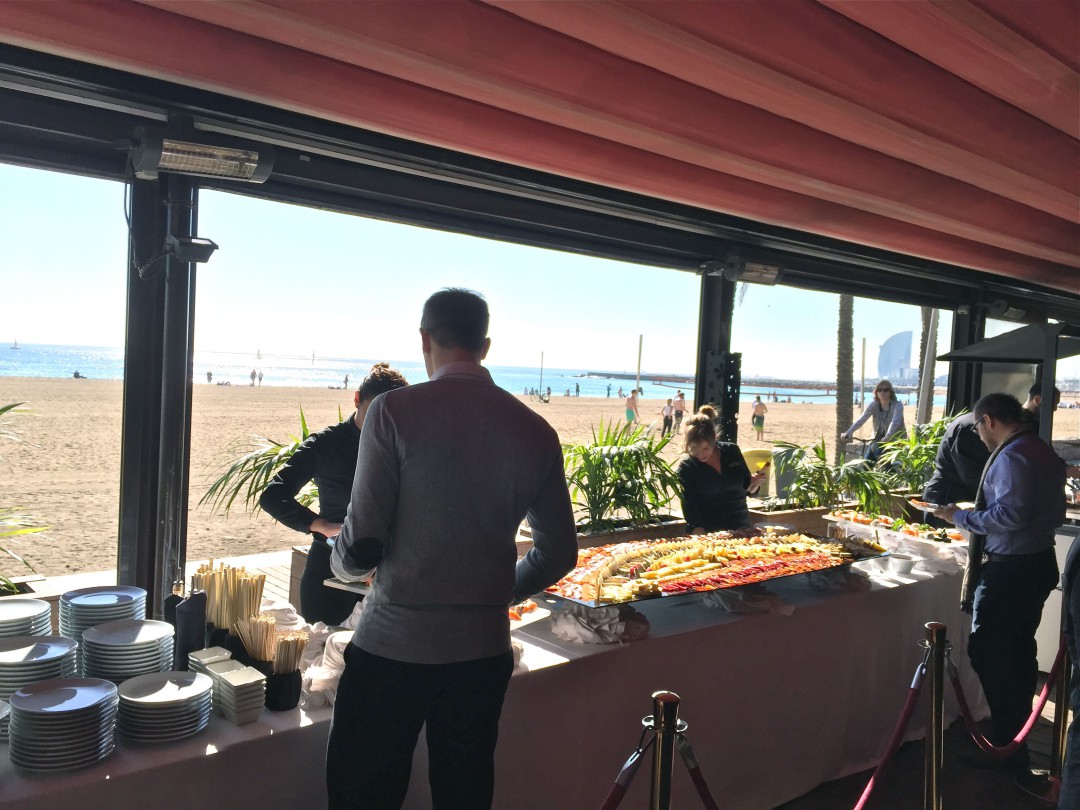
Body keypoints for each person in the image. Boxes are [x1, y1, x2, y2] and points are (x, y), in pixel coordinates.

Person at [327, 289, 577, 809]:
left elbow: (361, 543)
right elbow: (557, 553)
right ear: (485, 346)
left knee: (363, 796)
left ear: (425, 339)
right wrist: (497, 593)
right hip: (482, 651)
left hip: (393, 645)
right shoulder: (536, 430)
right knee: (464, 796)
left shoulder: (393, 411)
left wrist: (342, 562)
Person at [933, 393, 1065, 780]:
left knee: (991, 653)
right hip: (1036, 562)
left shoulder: (1012, 456)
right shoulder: (1041, 449)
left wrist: (960, 517)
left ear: (988, 420)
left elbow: (1010, 515)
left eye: (978, 427)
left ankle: (1009, 748)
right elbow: (1052, 511)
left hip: (1012, 570)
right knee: (1017, 652)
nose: (979, 435)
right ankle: (1013, 741)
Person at [260, 363, 409, 626]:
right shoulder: (325, 444)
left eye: (391, 415)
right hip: (328, 573)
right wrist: (320, 525)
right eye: (374, 412)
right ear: (356, 399)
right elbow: (273, 495)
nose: (382, 423)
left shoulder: (406, 448)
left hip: (386, 579)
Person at [677, 404, 766, 532]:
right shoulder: (687, 467)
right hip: (711, 531)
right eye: (694, 450)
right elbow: (690, 508)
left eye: (705, 448)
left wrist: (756, 483)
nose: (700, 455)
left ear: (714, 438)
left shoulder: (732, 451)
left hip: (742, 527)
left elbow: (748, 489)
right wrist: (698, 532)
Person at [922, 412, 990, 507]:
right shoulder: (971, 428)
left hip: (946, 494)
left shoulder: (968, 421)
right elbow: (971, 473)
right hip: (950, 498)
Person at [840, 379, 906, 463]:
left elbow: (894, 422)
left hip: (896, 441)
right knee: (867, 463)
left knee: (886, 464)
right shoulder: (874, 404)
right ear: (876, 392)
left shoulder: (897, 405)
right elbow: (862, 419)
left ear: (890, 392)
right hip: (877, 440)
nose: (882, 392)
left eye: (886, 390)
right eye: (879, 390)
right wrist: (848, 432)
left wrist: (888, 436)